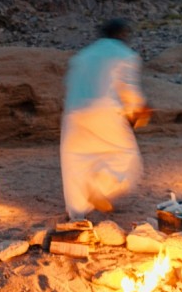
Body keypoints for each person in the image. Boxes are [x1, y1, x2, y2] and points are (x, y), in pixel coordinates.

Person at [59, 18, 151, 220]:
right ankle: (100, 188)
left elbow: (71, 85)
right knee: (124, 156)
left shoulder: (81, 56)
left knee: (77, 160)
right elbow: (129, 88)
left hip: (74, 112)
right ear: (121, 34)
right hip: (105, 110)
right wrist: (137, 110)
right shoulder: (125, 55)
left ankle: (77, 213)